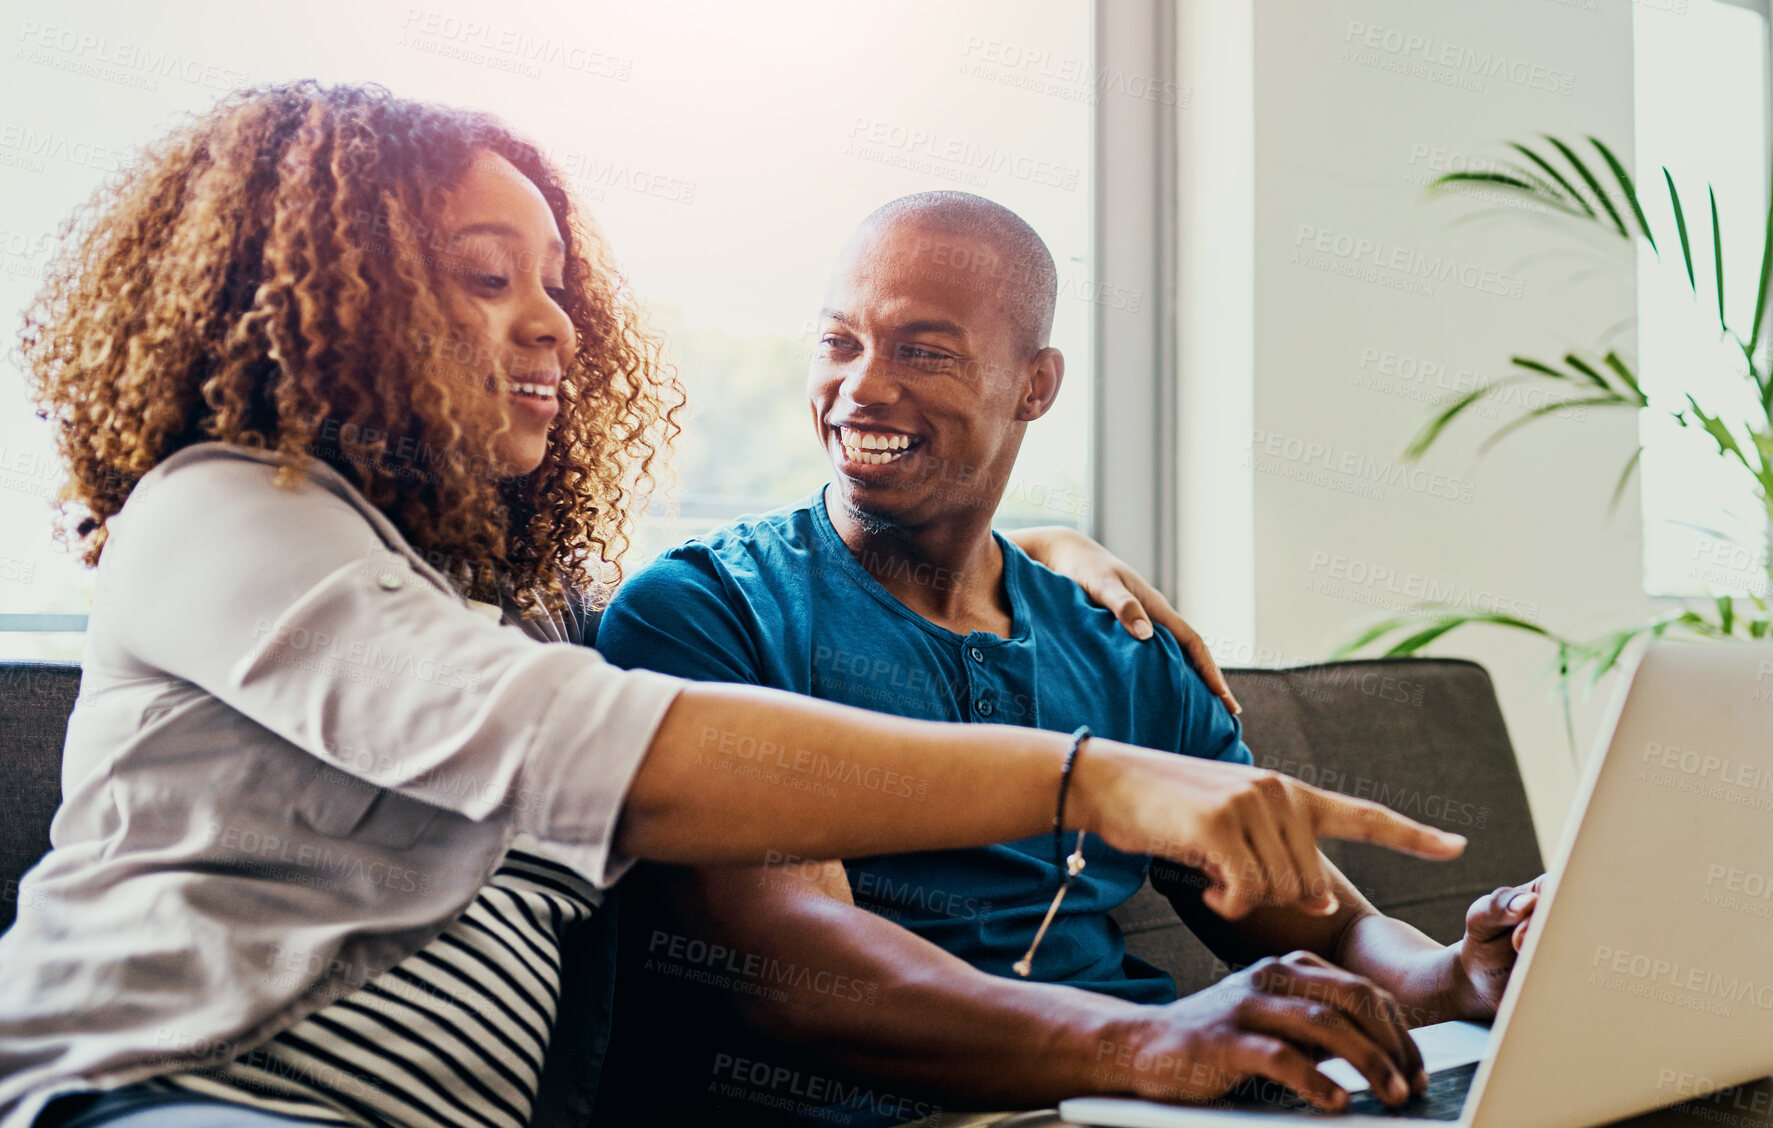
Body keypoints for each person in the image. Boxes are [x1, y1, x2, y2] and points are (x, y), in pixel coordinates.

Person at [0, 85, 1463, 1128]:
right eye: (482, 277)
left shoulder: (479, 600)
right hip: (161, 1093)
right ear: (323, 292)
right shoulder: (218, 506)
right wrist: (1094, 779)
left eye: (556, 282)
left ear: (1034, 386)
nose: (558, 322)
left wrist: (1056, 554)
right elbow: (603, 748)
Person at [594, 192, 1544, 1126]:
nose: (862, 387)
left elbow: (1322, 923)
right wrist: (1150, 1043)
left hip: (1139, 1102)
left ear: (1035, 385)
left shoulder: (1117, 641)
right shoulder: (703, 613)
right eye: (839, 342)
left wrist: (1455, 976)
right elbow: (790, 966)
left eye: (922, 351)